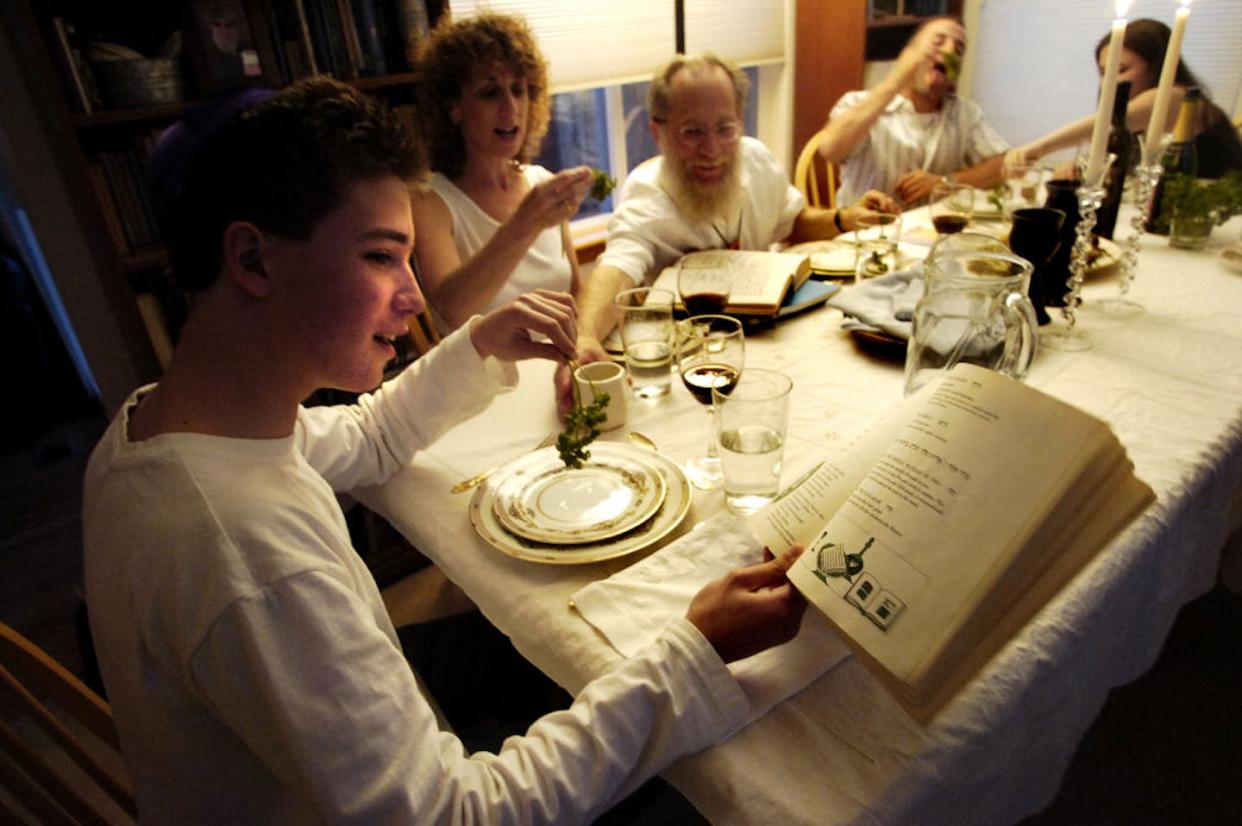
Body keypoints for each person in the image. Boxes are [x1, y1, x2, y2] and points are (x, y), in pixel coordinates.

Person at [82, 76, 808, 823]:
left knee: (564, 639)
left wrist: (482, 342)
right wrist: (693, 654)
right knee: (730, 774)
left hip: (347, 748)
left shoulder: (165, 423)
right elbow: (454, 814)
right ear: (255, 261)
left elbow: (365, 436)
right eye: (379, 257)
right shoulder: (249, 556)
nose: (415, 294)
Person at [558, 52, 899, 409]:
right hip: (692, 371)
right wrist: (584, 339)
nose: (712, 150)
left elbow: (793, 221)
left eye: (725, 128)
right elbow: (616, 270)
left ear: (739, 122)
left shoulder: (756, 160)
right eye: (692, 132)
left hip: (774, 348)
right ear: (658, 132)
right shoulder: (647, 194)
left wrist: (845, 218)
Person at [411, 13, 594, 333]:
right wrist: (526, 223)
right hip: (487, 382)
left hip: (562, 370)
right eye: (490, 93)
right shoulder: (430, 201)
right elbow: (450, 312)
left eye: (519, 90)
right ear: (453, 107)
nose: (511, 108)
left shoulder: (542, 183)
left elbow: (575, 298)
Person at [1003, 18, 1242, 178]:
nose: (1108, 82)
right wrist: (1080, 166)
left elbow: (1108, 122)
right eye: (1103, 72)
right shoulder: (1139, 119)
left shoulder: (1176, 98)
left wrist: (1036, 148)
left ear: (1157, 66)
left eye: (1121, 70)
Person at [817, 17, 1009, 206]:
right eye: (938, 41)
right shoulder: (858, 103)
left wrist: (945, 182)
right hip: (865, 233)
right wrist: (897, 77)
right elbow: (830, 149)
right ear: (909, 54)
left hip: (934, 233)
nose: (950, 51)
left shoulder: (965, 113)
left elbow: (1004, 166)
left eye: (958, 49)